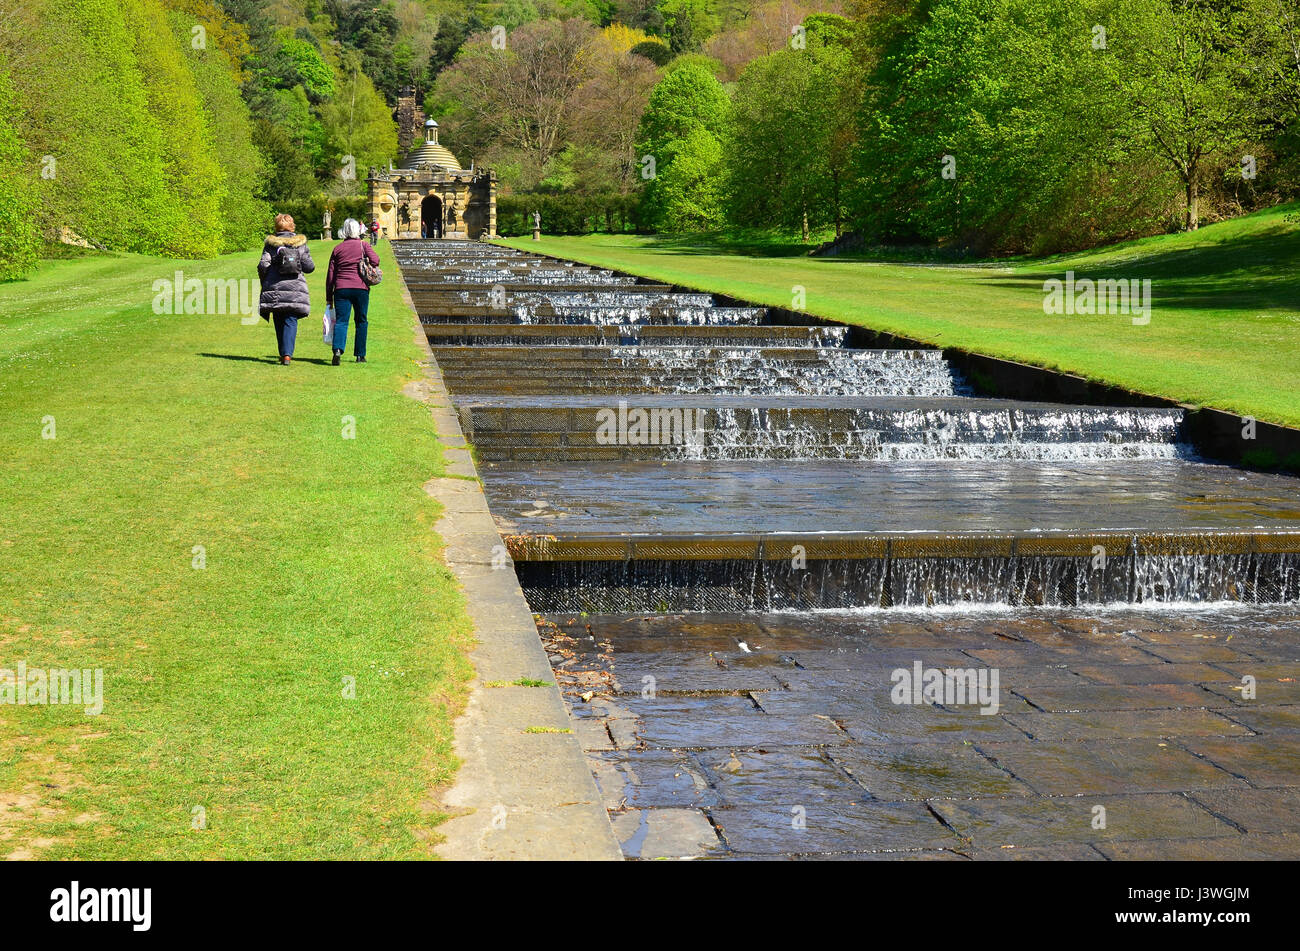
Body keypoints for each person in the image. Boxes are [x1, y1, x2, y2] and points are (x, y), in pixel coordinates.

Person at [258, 214, 315, 365]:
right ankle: (288, 355)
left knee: (278, 319)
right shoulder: (300, 243)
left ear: (277, 227)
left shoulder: (271, 244)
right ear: (292, 226)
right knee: (291, 319)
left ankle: (283, 353)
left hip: (275, 288)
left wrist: (265, 280)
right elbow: (309, 267)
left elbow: (263, 265)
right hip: (295, 289)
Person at [326, 218, 380, 365]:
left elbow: (331, 274)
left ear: (344, 231)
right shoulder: (363, 245)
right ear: (358, 230)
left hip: (341, 288)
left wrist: (328, 296)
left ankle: (337, 350)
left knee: (341, 321)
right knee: (361, 321)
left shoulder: (337, 249)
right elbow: (376, 260)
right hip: (361, 288)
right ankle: (360, 355)